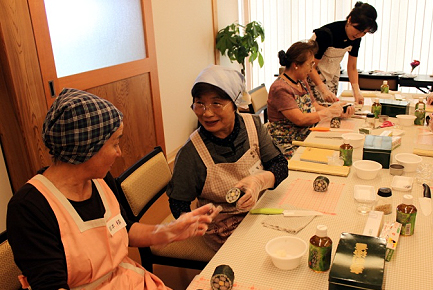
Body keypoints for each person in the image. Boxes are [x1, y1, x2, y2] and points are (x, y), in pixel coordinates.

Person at [7, 88, 221, 290]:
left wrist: (169, 231)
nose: (119, 153)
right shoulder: (29, 207)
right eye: (114, 144)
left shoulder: (99, 180)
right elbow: (50, 283)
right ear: (87, 148)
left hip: (130, 280)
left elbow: (124, 229)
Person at [167, 65, 289, 251]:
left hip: (262, 209)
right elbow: (178, 204)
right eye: (200, 103)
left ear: (235, 103)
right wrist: (197, 220)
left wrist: (258, 182)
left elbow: (280, 165)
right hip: (224, 228)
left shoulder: (253, 125)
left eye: (216, 103)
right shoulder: (192, 152)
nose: (206, 113)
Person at [268, 40, 355, 159]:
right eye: (310, 64)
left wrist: (337, 112)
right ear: (296, 65)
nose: (311, 69)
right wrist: (328, 112)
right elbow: (300, 120)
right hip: (288, 143)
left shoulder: (301, 81)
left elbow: (314, 105)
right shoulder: (280, 89)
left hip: (306, 134)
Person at [307, 1, 378, 104]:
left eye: (364, 32)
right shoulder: (326, 34)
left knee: (332, 111)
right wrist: (323, 89)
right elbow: (310, 66)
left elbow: (352, 67)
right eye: (358, 29)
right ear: (349, 19)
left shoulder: (356, 37)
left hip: (331, 77)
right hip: (313, 78)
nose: (359, 34)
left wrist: (356, 92)